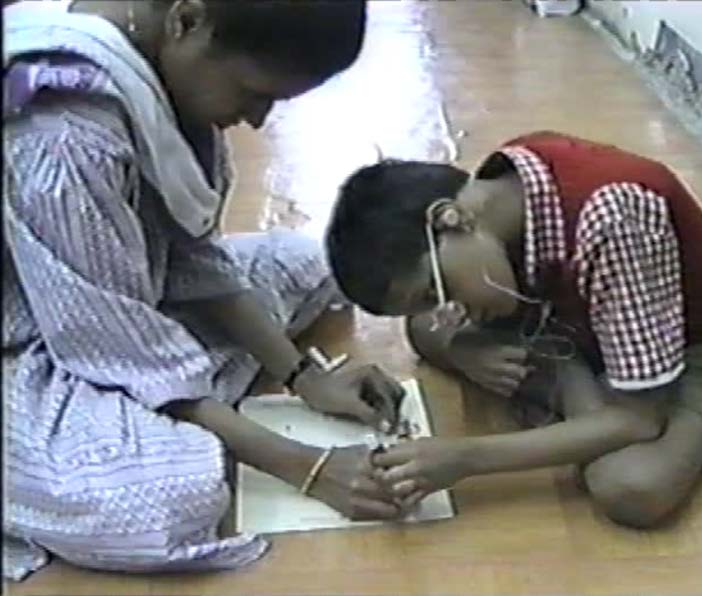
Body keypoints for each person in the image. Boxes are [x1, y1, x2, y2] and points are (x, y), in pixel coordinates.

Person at [3, 0, 405, 581]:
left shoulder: (155, 61)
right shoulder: (65, 128)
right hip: (30, 340)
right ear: (187, 21)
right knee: (172, 498)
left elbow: (192, 254)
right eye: (254, 93)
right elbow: (113, 344)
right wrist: (307, 466)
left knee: (307, 263)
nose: (258, 119)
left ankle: (188, 400)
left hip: (119, 298)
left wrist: (304, 377)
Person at [326, 130, 702, 529]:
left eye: (436, 290)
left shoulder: (615, 218)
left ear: (449, 218)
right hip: (574, 318)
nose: (447, 308)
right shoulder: (501, 194)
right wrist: (464, 352)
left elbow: (638, 421)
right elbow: (423, 326)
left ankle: (701, 388)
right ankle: (570, 380)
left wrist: (465, 457)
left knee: (629, 486)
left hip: (686, 349)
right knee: (428, 330)